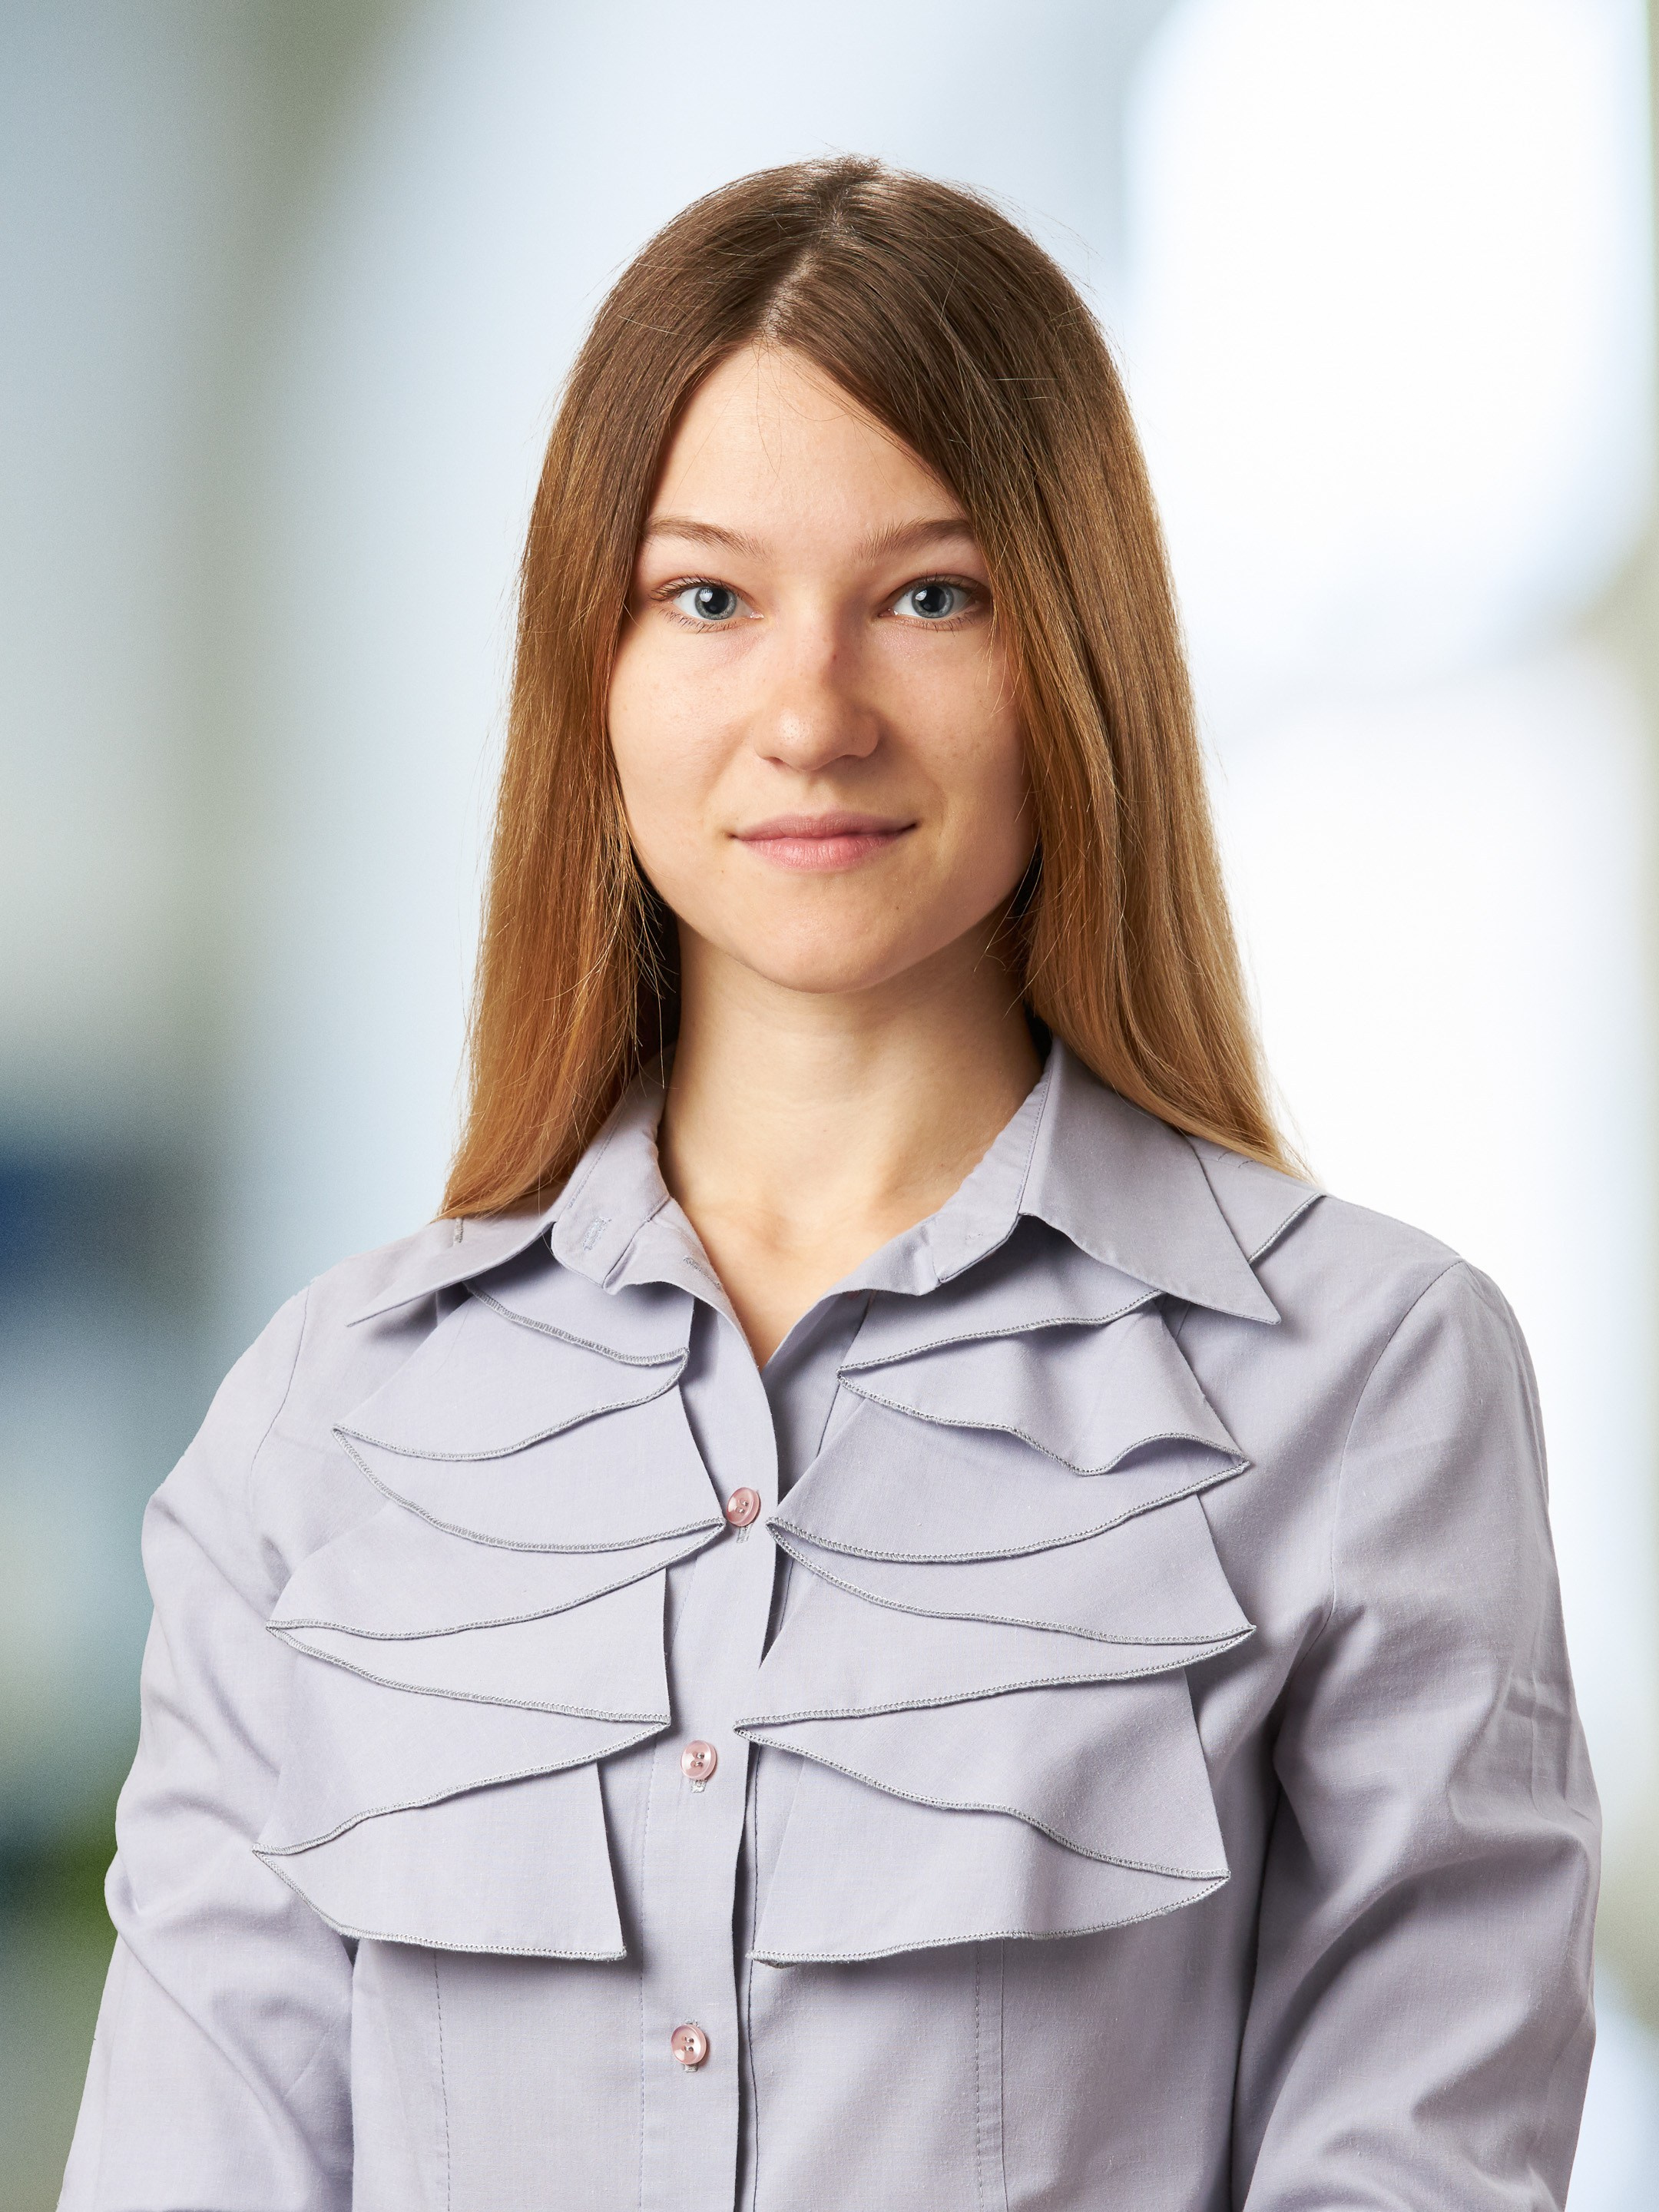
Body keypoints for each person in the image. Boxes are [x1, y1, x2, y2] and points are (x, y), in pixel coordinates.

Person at [61, 158, 1598, 2212]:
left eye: (932, 595)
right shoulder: (323, 1425)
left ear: (1077, 652)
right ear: (587, 679)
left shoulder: (1371, 1386)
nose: (812, 713)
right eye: (707, 597)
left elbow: (1420, 2164)